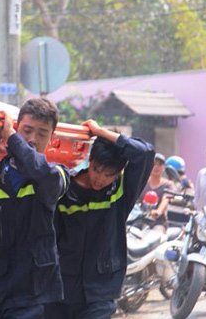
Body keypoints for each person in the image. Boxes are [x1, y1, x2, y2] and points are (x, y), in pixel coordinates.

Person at [0, 98, 70, 319]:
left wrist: (12, 139)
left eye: (42, 133)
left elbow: (41, 172)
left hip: (32, 292)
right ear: (17, 127)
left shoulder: (58, 175)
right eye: (27, 130)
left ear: (52, 138)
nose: (32, 139)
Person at [45, 120, 154, 319]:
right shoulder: (65, 187)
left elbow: (144, 153)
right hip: (61, 289)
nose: (100, 179)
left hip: (102, 290)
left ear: (119, 171)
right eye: (96, 169)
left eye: (108, 174)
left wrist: (101, 132)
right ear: (90, 160)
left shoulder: (121, 192)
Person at [139, 153, 176, 233]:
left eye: (159, 164)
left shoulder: (168, 184)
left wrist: (158, 211)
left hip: (159, 223)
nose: (156, 167)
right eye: (154, 164)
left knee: (155, 236)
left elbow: (166, 199)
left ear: (164, 168)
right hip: (140, 220)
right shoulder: (142, 181)